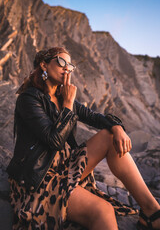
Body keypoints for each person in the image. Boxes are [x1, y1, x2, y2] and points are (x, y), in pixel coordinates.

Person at [7, 47, 160, 230]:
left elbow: (96, 117)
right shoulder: (29, 99)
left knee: (109, 136)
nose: (67, 69)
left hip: (64, 167)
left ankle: (151, 211)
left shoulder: (61, 96)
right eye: (62, 62)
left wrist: (117, 126)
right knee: (104, 210)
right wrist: (69, 104)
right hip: (40, 181)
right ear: (44, 65)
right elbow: (53, 141)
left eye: (70, 66)